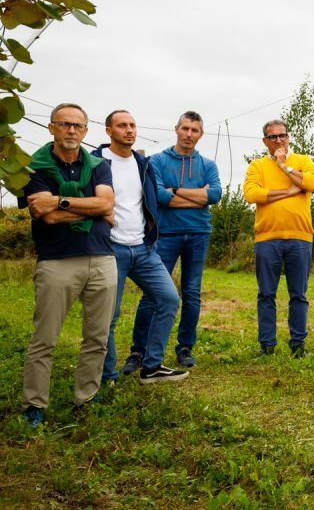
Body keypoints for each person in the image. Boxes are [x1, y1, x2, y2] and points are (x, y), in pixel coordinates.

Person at [19, 103, 116, 427]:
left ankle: (86, 398)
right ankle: (34, 405)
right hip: (57, 261)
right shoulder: (36, 168)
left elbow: (106, 203)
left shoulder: (99, 165)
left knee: (97, 337)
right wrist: (94, 211)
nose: (71, 130)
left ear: (86, 131)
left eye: (77, 125)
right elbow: (44, 215)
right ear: (51, 128)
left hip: (102, 258)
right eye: (64, 124)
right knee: (44, 338)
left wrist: (60, 201)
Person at [94, 111, 187, 385]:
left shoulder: (143, 163)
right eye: (122, 125)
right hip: (111, 249)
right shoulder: (96, 161)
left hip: (144, 248)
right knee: (108, 316)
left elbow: (151, 200)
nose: (129, 130)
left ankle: (152, 366)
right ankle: (107, 376)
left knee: (169, 299)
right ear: (109, 130)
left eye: (133, 125)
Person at [145, 111, 222, 369]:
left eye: (194, 130)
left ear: (201, 134)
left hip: (199, 233)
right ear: (176, 129)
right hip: (166, 234)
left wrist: (176, 191)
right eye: (185, 128)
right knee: (153, 293)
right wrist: (197, 197)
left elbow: (215, 195)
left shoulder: (208, 165)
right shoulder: (157, 161)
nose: (189, 134)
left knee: (192, 293)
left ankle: (185, 347)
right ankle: (140, 350)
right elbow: (158, 196)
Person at [243, 119, 314, 357]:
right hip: (267, 238)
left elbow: (312, 183)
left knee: (299, 295)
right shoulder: (257, 166)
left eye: (282, 136)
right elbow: (251, 194)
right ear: (264, 141)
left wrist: (284, 166)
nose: (278, 140)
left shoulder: (303, 161)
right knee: (266, 294)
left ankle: (298, 345)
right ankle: (267, 346)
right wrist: (289, 191)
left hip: (300, 237)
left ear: (288, 137)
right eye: (273, 137)